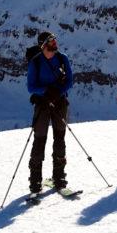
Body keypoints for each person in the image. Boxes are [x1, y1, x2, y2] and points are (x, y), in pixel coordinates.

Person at [26, 31, 73, 197]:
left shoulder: (62, 58)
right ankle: (35, 182)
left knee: (59, 138)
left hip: (59, 102)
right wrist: (47, 91)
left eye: (55, 40)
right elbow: (31, 86)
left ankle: (59, 178)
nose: (55, 43)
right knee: (40, 140)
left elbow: (70, 81)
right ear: (43, 44)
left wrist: (57, 93)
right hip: (42, 103)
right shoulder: (36, 62)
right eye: (51, 41)